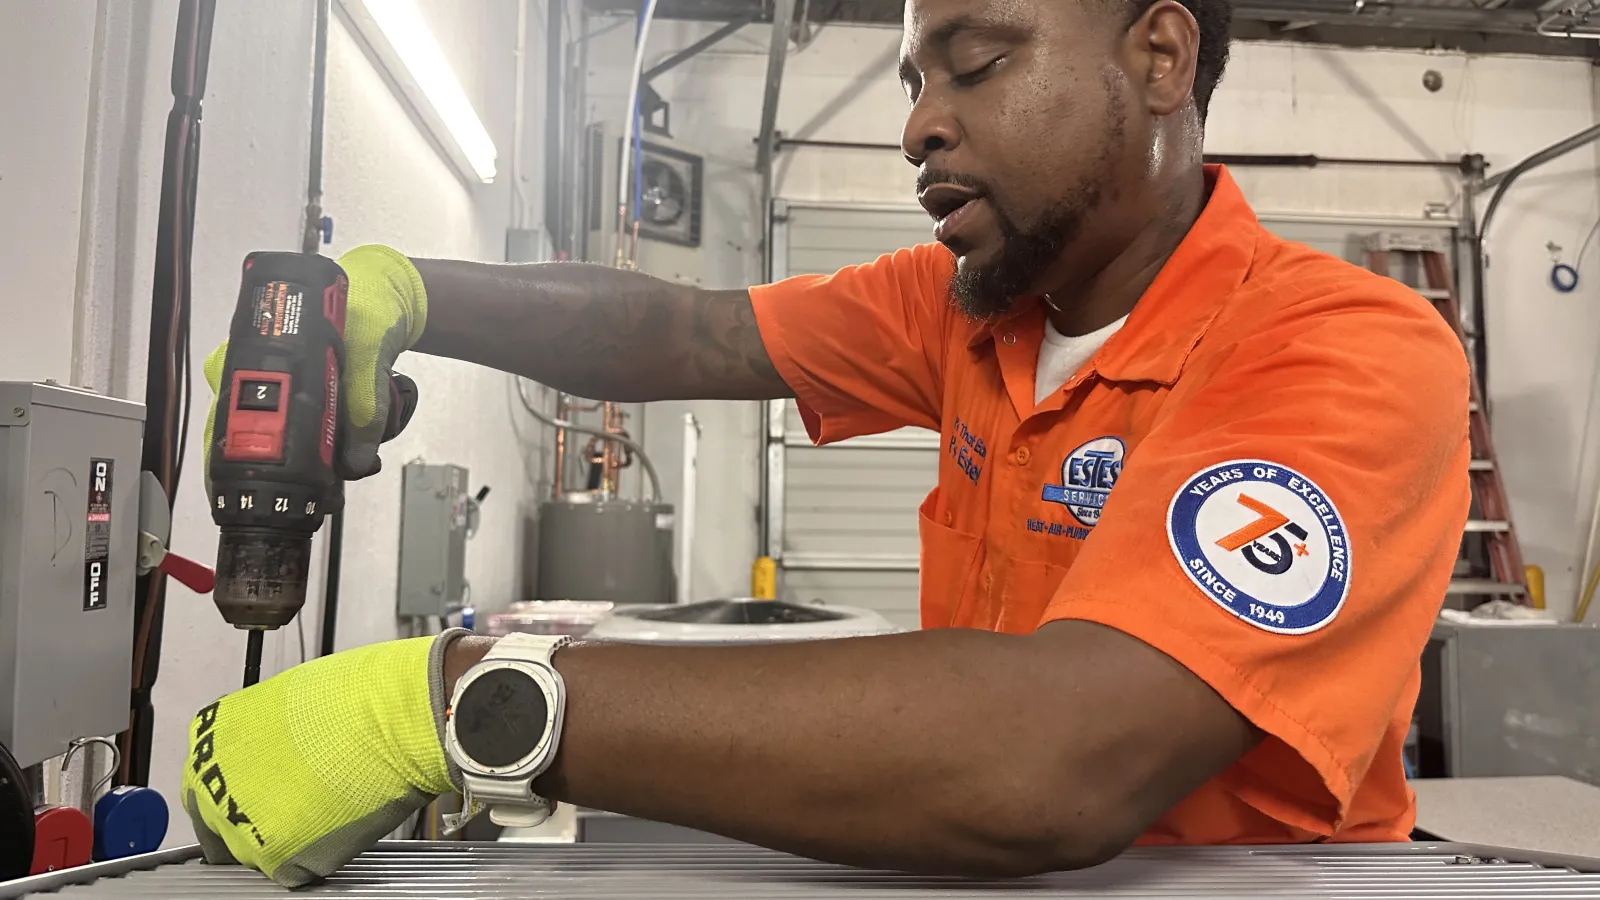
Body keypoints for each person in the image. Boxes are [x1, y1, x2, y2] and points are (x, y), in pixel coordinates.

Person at [184, 0, 1471, 888]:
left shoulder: (1339, 348)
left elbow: (1054, 761)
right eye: (914, 83)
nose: (916, 124)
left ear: (1159, 56)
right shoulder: (971, 316)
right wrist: (403, 293)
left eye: (975, 62)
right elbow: (685, 336)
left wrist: (460, 698)